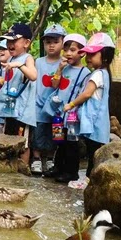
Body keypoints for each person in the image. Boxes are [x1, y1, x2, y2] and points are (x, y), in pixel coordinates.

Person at [63, 32, 115, 181]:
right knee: (94, 151)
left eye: (92, 55)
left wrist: (71, 104)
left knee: (93, 152)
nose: (88, 58)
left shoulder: (97, 75)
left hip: (94, 121)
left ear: (105, 55)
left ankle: (88, 181)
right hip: (98, 121)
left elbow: (86, 94)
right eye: (87, 54)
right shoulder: (104, 74)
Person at [43, 34, 90, 182]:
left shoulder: (86, 73)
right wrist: (59, 70)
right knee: (59, 142)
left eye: (73, 50)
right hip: (59, 113)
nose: (68, 53)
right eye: (66, 50)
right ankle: (58, 167)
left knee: (72, 144)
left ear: (82, 53)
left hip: (72, 116)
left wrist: (73, 106)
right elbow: (55, 85)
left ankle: (71, 172)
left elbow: (84, 93)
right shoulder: (64, 68)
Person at [0, 23, 37, 166]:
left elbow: (33, 76)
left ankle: (22, 172)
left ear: (26, 43)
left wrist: (20, 66)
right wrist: (3, 81)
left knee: (23, 142)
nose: (10, 44)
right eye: (8, 41)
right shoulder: (11, 59)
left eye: (14, 41)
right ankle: (10, 168)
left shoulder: (27, 58)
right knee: (8, 140)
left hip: (22, 111)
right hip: (10, 108)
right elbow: (13, 80)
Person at [31, 24, 66, 176]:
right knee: (38, 132)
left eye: (55, 41)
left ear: (63, 42)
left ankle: (51, 158)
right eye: (48, 42)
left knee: (55, 134)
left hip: (56, 107)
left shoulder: (65, 64)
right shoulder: (38, 62)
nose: (51, 45)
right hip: (39, 105)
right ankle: (37, 158)